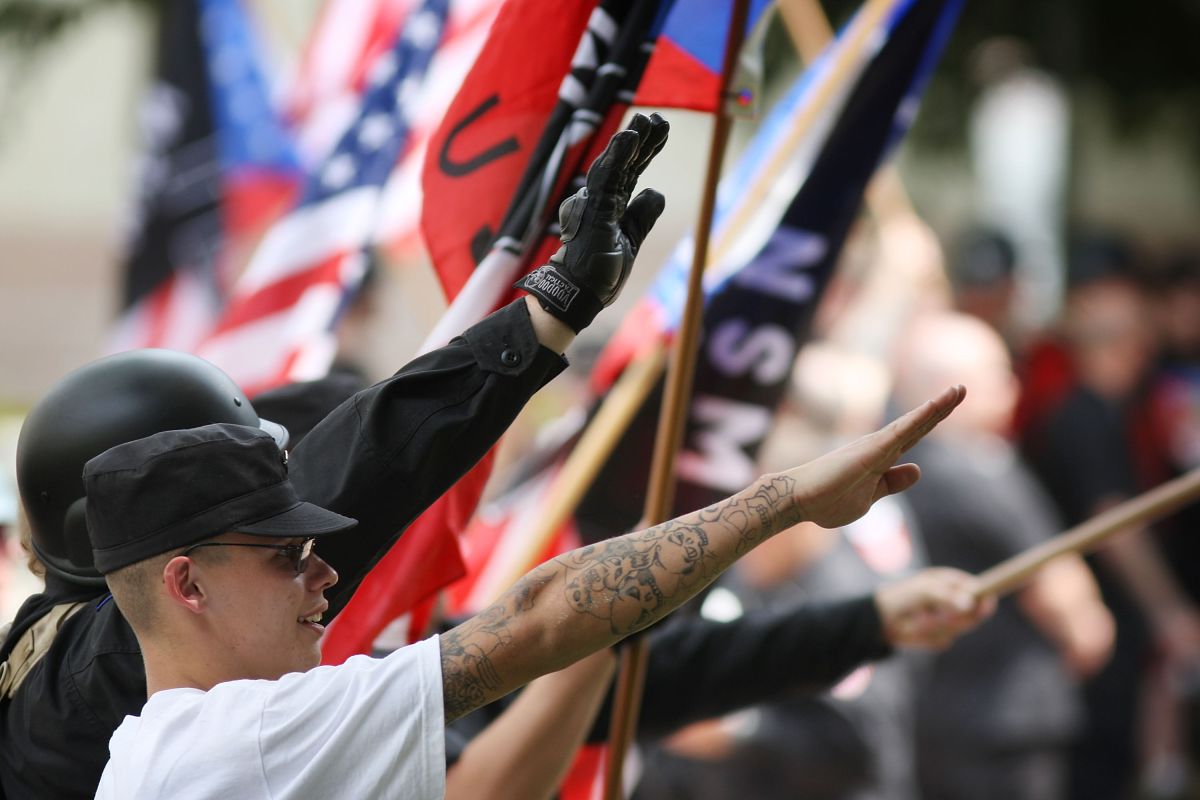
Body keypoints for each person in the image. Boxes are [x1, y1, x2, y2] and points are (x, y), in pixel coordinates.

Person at [0, 113, 670, 800]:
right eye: (269, 532)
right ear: (178, 577)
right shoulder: (94, 673)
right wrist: (547, 311)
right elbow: (358, 472)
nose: (306, 551)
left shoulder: (75, 660)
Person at [88, 381, 977, 798]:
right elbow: (538, 623)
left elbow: (641, 668)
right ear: (186, 585)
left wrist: (866, 620)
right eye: (284, 555)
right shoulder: (247, 742)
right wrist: (786, 499)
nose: (324, 571)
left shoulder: (174, 746)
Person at [895, 311, 1113, 800]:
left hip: (933, 710)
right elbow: (1057, 587)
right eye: (999, 373)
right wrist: (1086, 629)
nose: (1013, 386)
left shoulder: (894, 470)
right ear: (957, 388)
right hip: (1002, 719)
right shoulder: (978, 469)